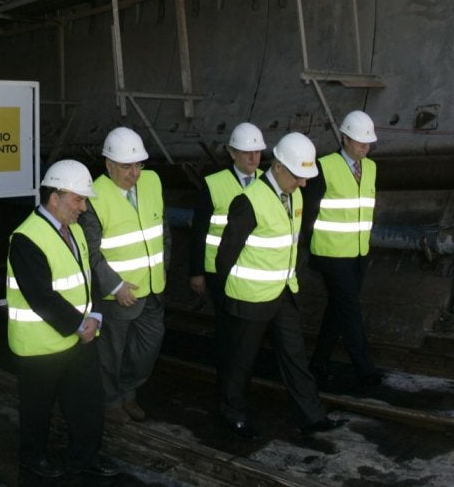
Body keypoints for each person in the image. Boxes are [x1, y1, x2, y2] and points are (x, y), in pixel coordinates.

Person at [214, 132, 341, 439]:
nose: (304, 184)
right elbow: (224, 257)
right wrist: (229, 298)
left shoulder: (294, 195)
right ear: (280, 167)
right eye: (299, 176)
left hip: (283, 294)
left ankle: (312, 416)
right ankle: (233, 414)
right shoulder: (248, 202)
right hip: (250, 299)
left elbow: (293, 243)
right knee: (241, 362)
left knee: (296, 357)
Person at [6, 160, 119, 480]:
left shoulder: (77, 232)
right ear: (54, 198)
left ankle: (84, 456)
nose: (83, 207)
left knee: (86, 403)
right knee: (37, 408)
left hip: (78, 338)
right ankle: (32, 458)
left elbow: (89, 276)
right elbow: (41, 297)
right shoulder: (26, 238)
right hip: (40, 345)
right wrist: (80, 326)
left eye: (84, 200)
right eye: (78, 199)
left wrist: (95, 313)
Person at [79, 125, 168, 426]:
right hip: (118, 295)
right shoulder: (94, 195)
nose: (134, 173)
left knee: (148, 348)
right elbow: (91, 252)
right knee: (110, 354)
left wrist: (163, 268)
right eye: (126, 166)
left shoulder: (153, 182)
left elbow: (162, 230)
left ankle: (129, 392)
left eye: (138, 165)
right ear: (108, 164)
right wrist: (115, 285)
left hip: (153, 289)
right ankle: (111, 400)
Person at [187, 123, 265, 404]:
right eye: (246, 153)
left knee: (248, 330)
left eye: (257, 152)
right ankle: (227, 383)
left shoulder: (268, 181)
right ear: (232, 153)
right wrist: (197, 272)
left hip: (254, 271)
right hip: (219, 271)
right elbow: (199, 230)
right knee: (228, 328)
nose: (253, 158)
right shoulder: (214, 183)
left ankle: (240, 381)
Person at [305, 109, 381, 389]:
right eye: (361, 142)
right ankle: (366, 371)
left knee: (337, 310)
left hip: (358, 253)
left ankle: (318, 363)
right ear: (345, 138)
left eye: (369, 143)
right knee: (350, 311)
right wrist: (306, 249)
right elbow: (307, 213)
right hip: (331, 255)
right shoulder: (324, 167)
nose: (366, 147)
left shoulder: (371, 168)